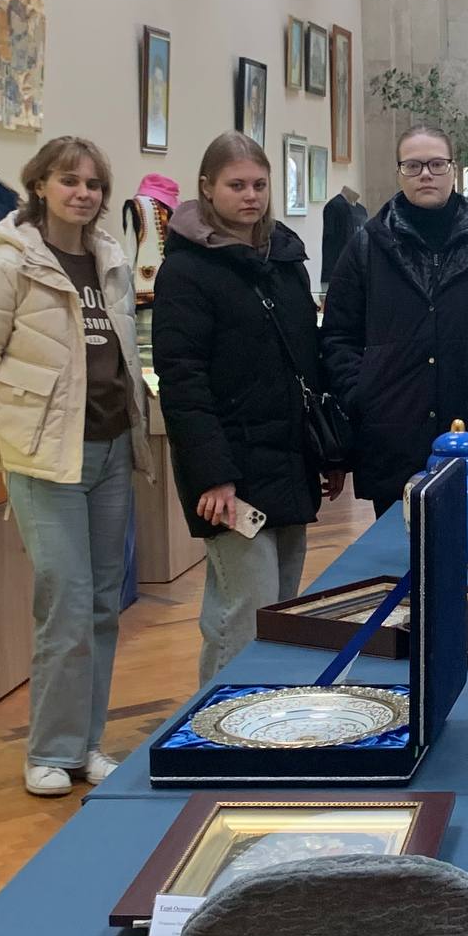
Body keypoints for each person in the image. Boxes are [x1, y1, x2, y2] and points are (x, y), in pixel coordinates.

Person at [0, 134, 150, 795]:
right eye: (69, 181)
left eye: (93, 184)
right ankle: (49, 751)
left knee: (103, 604)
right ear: (39, 185)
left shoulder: (109, 259)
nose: (82, 193)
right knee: (65, 601)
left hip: (111, 450)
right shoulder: (7, 267)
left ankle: (87, 745)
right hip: (44, 460)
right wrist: (1, 445)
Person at [152, 132, 347, 690]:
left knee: (282, 608)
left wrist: (328, 453)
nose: (250, 196)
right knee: (243, 610)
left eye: (259, 185)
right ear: (207, 188)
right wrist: (214, 475)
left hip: (288, 459)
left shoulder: (285, 262)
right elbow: (182, 380)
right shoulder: (185, 272)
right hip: (229, 473)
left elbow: (306, 364)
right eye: (236, 185)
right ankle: (215, 724)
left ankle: (265, 714)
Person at [322, 122, 468, 512]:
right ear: (399, 173)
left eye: (436, 164)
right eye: (412, 165)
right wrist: (363, 394)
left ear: (453, 169)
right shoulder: (367, 246)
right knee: (399, 546)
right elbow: (338, 336)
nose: (425, 174)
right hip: (392, 433)